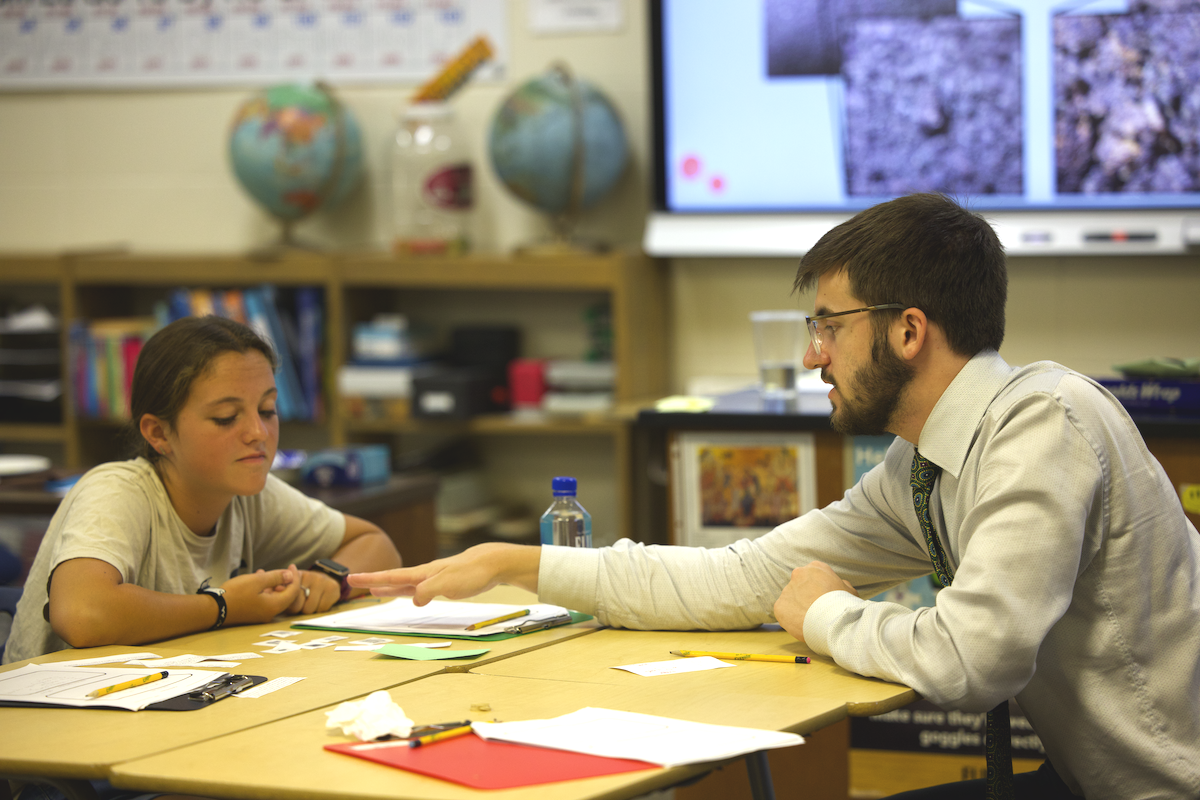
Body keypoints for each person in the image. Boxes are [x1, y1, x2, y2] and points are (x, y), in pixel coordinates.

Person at [349, 193, 1200, 800]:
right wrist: (521, 563)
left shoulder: (1040, 426)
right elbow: (741, 578)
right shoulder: (925, 464)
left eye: (828, 327)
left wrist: (828, 613)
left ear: (907, 330)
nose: (811, 357)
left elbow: (971, 662)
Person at [4, 315, 403, 666]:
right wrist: (224, 606)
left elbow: (376, 544)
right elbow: (81, 613)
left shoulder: (249, 494)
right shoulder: (117, 492)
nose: (258, 433)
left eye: (267, 410)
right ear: (159, 433)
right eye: (226, 418)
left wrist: (331, 579)